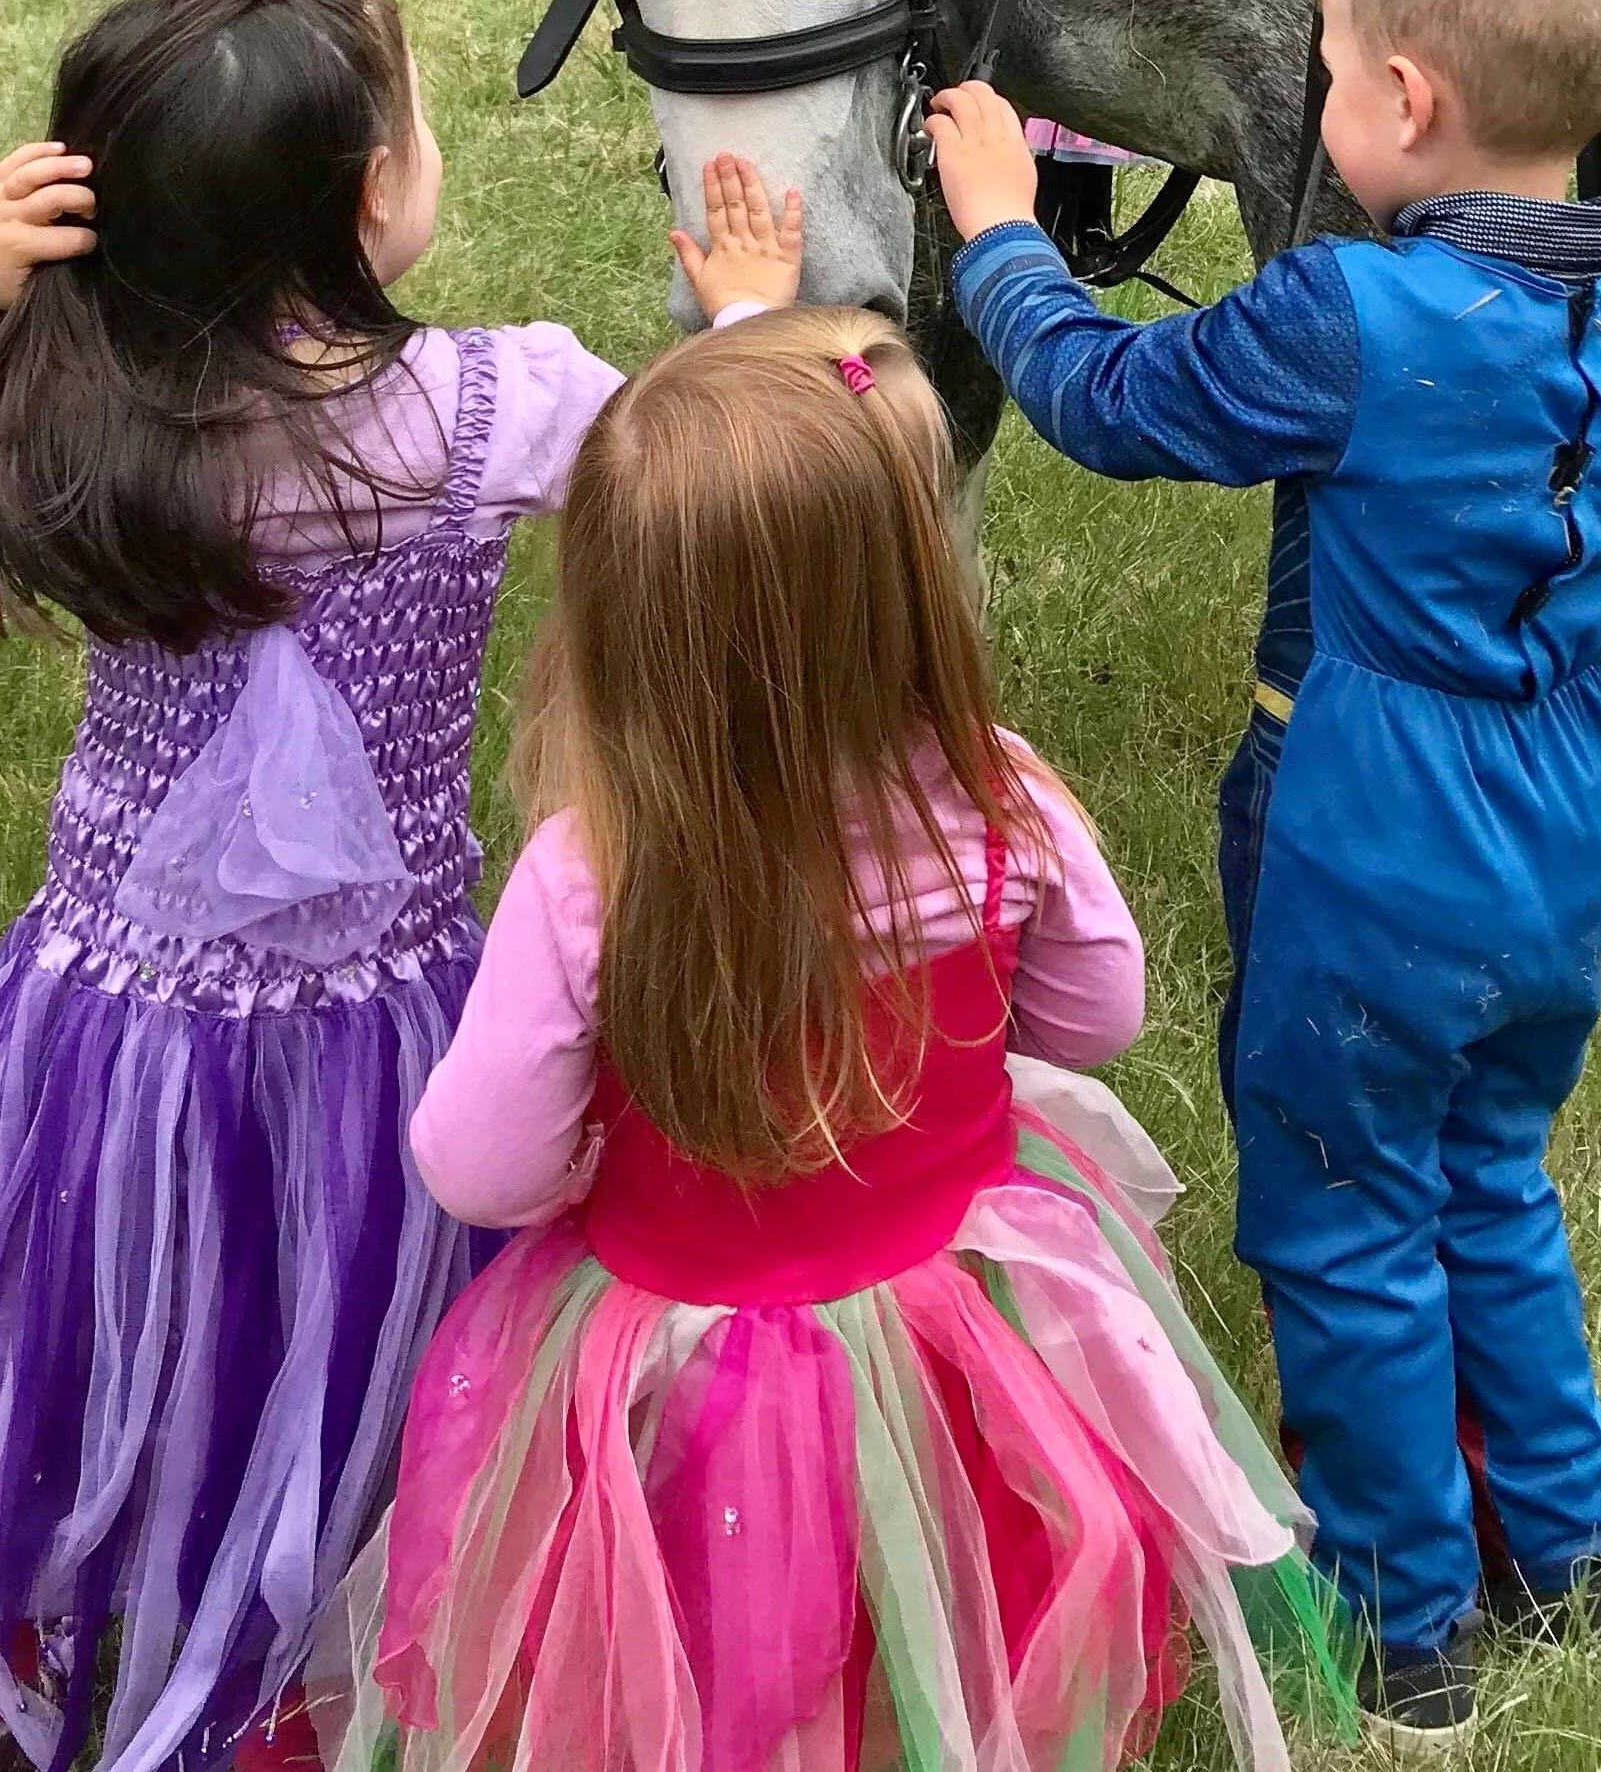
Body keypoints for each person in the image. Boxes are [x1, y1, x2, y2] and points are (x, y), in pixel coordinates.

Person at [929, 0, 1601, 1745]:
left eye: (1322, 54)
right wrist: (1591, 810)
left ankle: (1403, 1625)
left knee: (1343, 1207)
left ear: (1402, 100)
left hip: (1357, 824)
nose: (1316, 86)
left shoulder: (1345, 318)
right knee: (1489, 1174)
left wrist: (994, 226)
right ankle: (1575, 1555)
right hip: (1553, 825)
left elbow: (1110, 400)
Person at [314, 303, 1350, 1772]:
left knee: (705, 1627)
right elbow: (1094, 1015)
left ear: (625, 623)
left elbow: (479, 1165)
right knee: (932, 1586)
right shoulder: (1005, 805)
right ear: (909, 595)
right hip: (952, 1323)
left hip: (679, 1353)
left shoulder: (592, 873)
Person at [0, 0, 802, 1772]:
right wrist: (742, 319)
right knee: (356, 1320)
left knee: (116, 1298)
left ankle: (123, 1566)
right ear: (378, 196)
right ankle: (314, 1621)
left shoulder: (74, 407)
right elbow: (704, 484)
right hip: (387, 1017)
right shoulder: (490, 403)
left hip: (110, 1014)